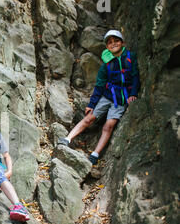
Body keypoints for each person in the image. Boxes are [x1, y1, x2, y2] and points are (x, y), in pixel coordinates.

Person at [58, 30, 140, 164]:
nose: (113, 44)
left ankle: (95, 154)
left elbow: (135, 77)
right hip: (107, 96)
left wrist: (133, 94)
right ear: (107, 46)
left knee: (109, 125)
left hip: (122, 99)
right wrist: (91, 104)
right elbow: (99, 86)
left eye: (116, 41)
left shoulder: (131, 57)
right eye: (110, 42)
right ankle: (68, 139)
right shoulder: (106, 66)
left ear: (122, 42)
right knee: (89, 118)